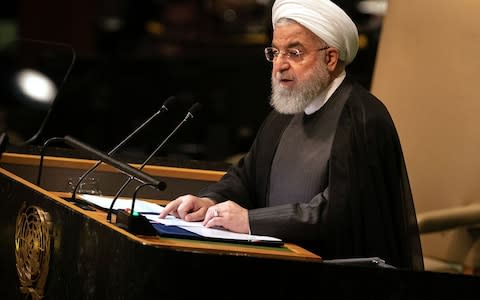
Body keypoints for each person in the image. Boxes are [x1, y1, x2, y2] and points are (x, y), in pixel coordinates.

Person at [160, 0, 424, 271]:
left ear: (330, 58)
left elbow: (337, 213)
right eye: (275, 53)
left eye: (295, 53)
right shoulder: (287, 112)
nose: (279, 65)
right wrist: (209, 200)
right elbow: (246, 177)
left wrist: (250, 221)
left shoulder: (360, 117)